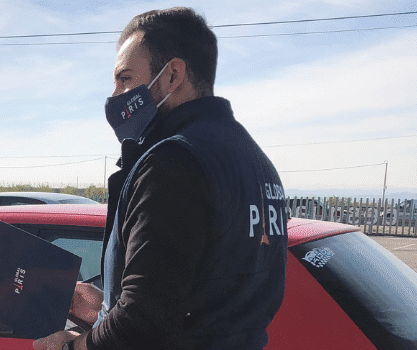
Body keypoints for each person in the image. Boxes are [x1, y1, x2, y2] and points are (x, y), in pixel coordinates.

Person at [34, 7, 288, 350]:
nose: (115, 96)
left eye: (125, 78)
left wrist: (72, 347)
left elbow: (144, 322)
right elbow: (199, 297)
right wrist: (107, 304)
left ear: (172, 75)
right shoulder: (255, 161)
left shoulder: (173, 162)